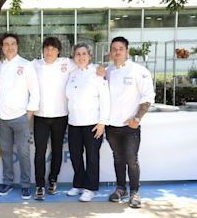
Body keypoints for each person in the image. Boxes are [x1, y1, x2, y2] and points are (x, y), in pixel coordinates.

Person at [106, 36, 155, 208]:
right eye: (114, 49)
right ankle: (121, 189)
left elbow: (148, 96)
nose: (117, 52)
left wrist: (137, 118)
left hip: (130, 127)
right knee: (118, 158)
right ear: (110, 52)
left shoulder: (138, 71)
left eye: (120, 48)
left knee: (131, 159)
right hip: (111, 126)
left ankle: (134, 191)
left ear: (127, 51)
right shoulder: (108, 71)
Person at [0, 33, 40, 199]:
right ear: (2, 46)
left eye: (13, 43)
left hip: (21, 117)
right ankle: (7, 182)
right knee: (6, 152)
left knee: (23, 153)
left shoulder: (26, 65)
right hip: (2, 118)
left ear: (17, 46)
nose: (9, 47)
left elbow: (35, 92)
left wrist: (28, 114)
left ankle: (26, 184)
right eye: (6, 44)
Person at [66, 43, 110, 202]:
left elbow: (105, 99)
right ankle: (78, 184)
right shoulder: (72, 74)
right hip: (74, 123)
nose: (81, 57)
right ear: (74, 57)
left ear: (90, 56)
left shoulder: (97, 73)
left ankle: (90, 188)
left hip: (93, 123)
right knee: (75, 156)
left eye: (84, 54)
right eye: (77, 54)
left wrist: (102, 123)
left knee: (92, 157)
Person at [32, 37, 74, 200]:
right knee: (40, 152)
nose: (49, 51)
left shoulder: (66, 63)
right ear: (43, 50)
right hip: (40, 117)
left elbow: (85, 64)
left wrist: (99, 68)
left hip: (60, 116)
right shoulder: (35, 64)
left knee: (57, 151)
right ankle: (40, 185)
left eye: (53, 48)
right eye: (46, 48)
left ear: (59, 51)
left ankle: (52, 180)